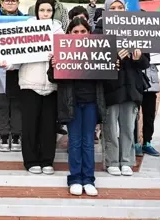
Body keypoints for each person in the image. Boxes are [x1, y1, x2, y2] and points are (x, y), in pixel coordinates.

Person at [48, 18, 107, 197]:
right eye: (75, 32)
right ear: (69, 34)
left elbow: (106, 78)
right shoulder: (62, 51)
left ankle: (88, 179)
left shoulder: (99, 49)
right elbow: (53, 79)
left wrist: (114, 66)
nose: (80, 35)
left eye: (83, 32)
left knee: (88, 142)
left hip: (91, 103)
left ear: (89, 33)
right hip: (71, 104)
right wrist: (53, 66)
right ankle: (74, 178)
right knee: (74, 142)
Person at [6, 0, 64, 174]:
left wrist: (56, 58)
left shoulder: (60, 32)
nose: (45, 14)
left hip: (52, 87)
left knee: (48, 126)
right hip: (29, 85)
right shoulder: (25, 29)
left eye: (48, 11)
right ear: (36, 11)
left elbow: (67, 59)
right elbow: (15, 58)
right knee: (30, 125)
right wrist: (7, 63)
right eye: (42, 10)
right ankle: (30, 161)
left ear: (53, 12)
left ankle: (47, 160)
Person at [95, 0, 149, 177]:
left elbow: (145, 63)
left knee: (128, 127)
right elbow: (94, 61)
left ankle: (126, 160)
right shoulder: (98, 31)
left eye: (120, 7)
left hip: (131, 86)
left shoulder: (137, 28)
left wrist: (138, 57)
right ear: (106, 10)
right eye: (113, 8)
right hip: (110, 87)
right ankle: (111, 161)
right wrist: (113, 57)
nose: (117, 11)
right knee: (109, 127)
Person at [0, 0, 24, 152]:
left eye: (13, 0)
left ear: (18, 3)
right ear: (2, 2)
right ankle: (4, 135)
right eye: (7, 0)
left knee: (17, 103)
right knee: (1, 102)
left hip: (19, 68)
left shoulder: (26, 21)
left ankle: (16, 135)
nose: (10, 3)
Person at [134, 63, 160, 157]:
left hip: (151, 84)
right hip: (134, 84)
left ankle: (147, 143)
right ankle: (134, 143)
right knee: (132, 117)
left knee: (149, 117)